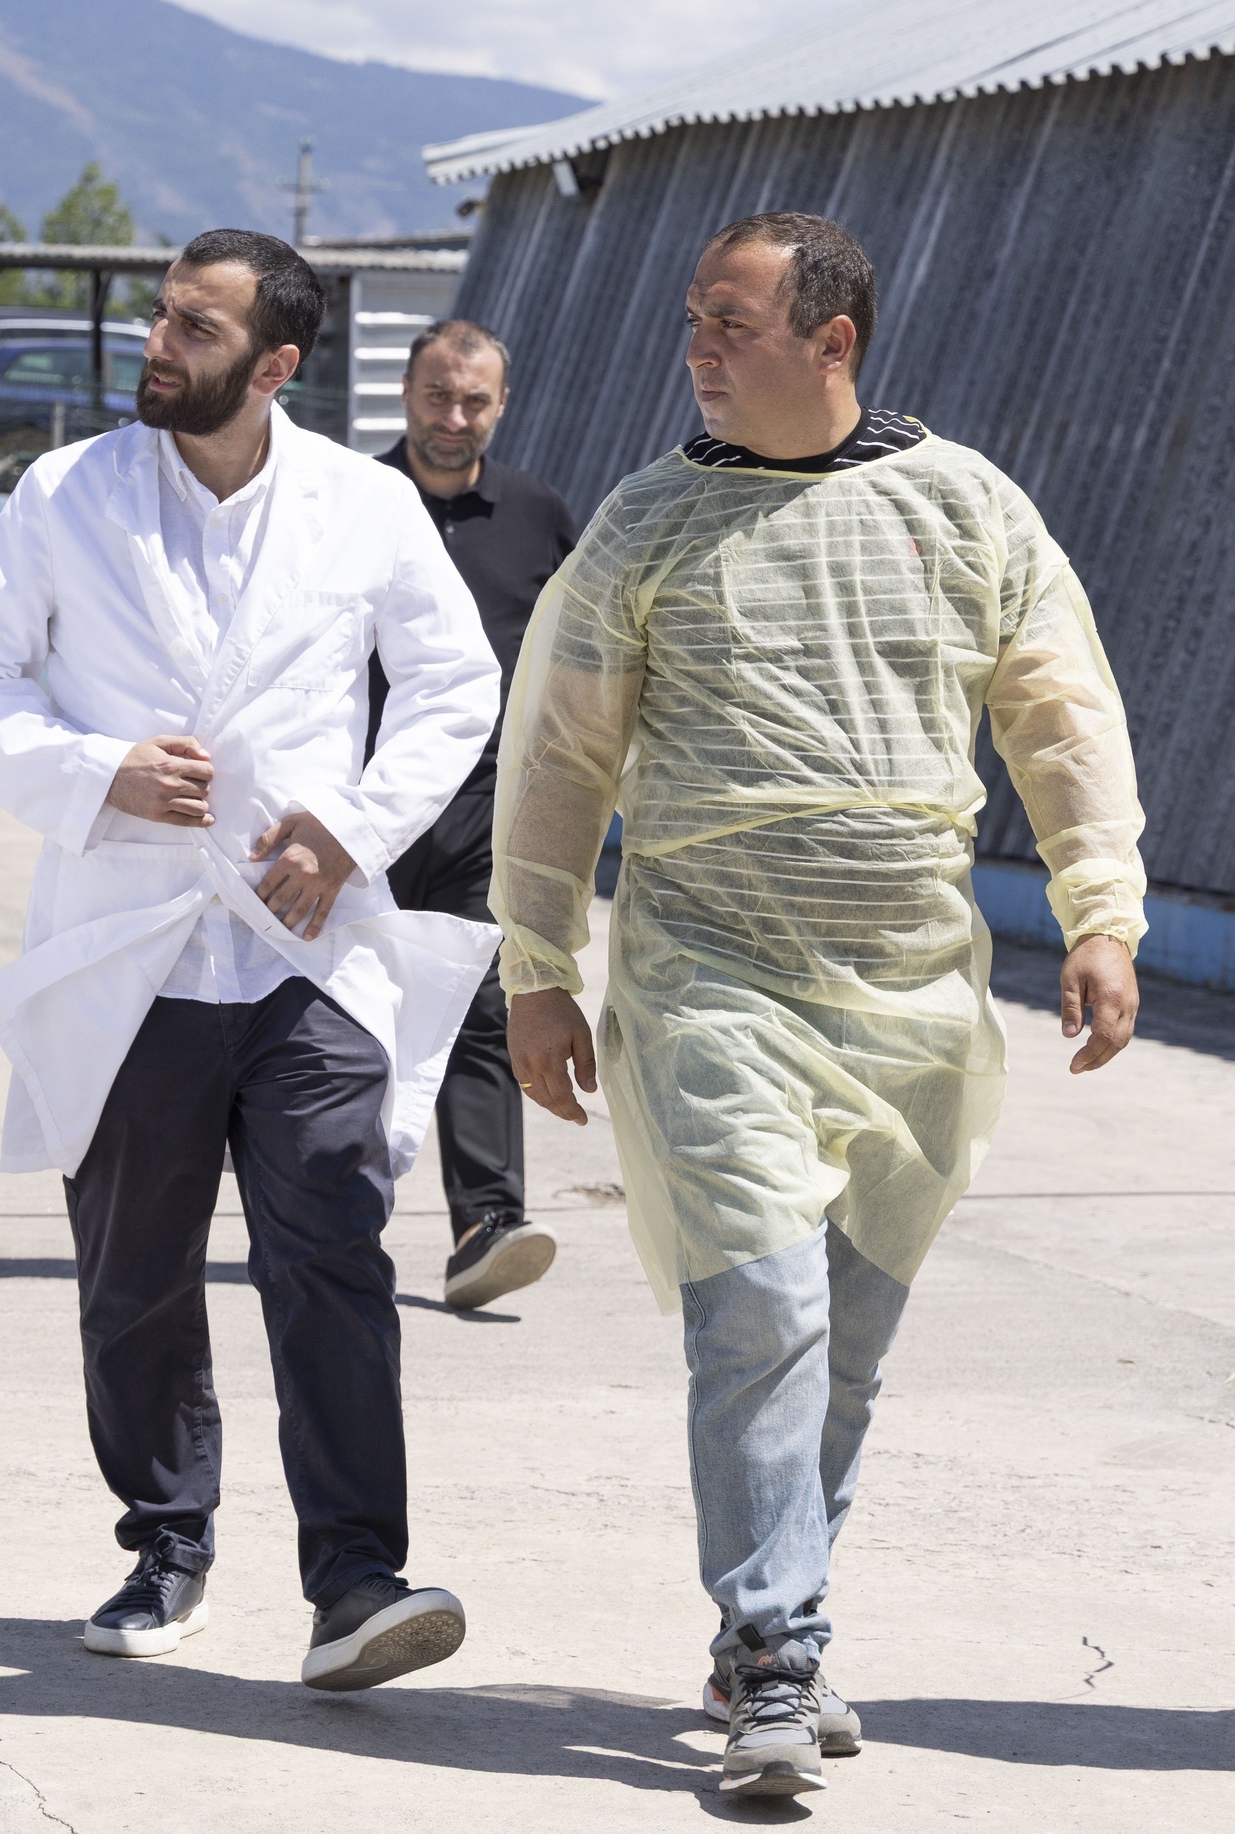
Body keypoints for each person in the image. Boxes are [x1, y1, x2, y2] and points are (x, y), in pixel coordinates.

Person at [496, 213, 1145, 1798]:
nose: (698, 349)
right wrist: (536, 964)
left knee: (844, 1342)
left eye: (731, 322)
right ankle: (777, 1648)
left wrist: (1101, 911)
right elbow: (559, 755)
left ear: (832, 339)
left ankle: (764, 1634)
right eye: (692, 320)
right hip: (709, 976)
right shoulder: (647, 524)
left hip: (913, 992)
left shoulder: (966, 503)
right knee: (763, 1310)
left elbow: (1060, 716)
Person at [0, 229, 500, 1691]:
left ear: (274, 363)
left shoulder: (362, 505)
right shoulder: (67, 494)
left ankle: (356, 1576)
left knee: (331, 1250)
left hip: (304, 953)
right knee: (133, 1274)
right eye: (162, 315)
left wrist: (352, 831)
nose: (158, 343)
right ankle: (165, 1540)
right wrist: (94, 771)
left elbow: (454, 684)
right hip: (130, 945)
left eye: (195, 326)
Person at [372, 319, 578, 1309]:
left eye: (473, 401)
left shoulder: (537, 516)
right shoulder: (352, 501)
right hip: (359, 814)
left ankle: (485, 1224)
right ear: (406, 394)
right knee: (342, 1021)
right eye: (436, 396)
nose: (452, 418)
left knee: (479, 1010)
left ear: (501, 405)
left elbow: (580, 655)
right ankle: (330, 1215)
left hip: (483, 811)